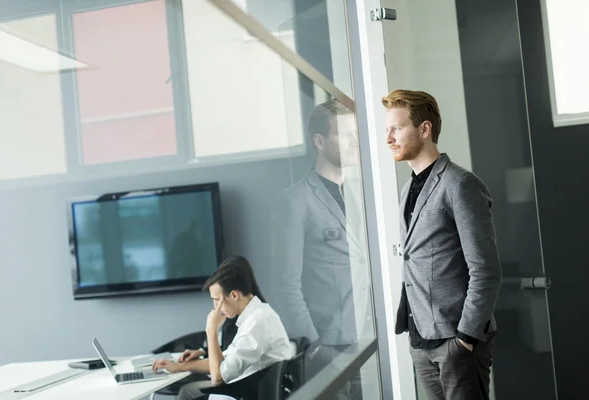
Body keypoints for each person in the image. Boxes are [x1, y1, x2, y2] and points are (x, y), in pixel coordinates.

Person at [382, 89, 502, 400]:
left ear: (425, 129)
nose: (389, 138)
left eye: (397, 128)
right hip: (421, 339)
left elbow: (485, 269)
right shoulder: (409, 188)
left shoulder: (460, 184)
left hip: (456, 341)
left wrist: (465, 338)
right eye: (387, 130)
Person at [270, 98, 369, 400]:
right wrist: (314, 347)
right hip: (328, 350)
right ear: (319, 141)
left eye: (356, 133)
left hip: (370, 341)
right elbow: (285, 284)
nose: (355, 142)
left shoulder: (363, 195)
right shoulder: (294, 201)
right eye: (345, 134)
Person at [152, 256, 294, 400]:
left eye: (216, 300)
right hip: (247, 390)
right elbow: (223, 363)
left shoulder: (256, 324)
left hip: (245, 394)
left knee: (188, 393)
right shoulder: (256, 316)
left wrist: (211, 330)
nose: (215, 308)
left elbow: (218, 378)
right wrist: (180, 367)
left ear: (233, 295)